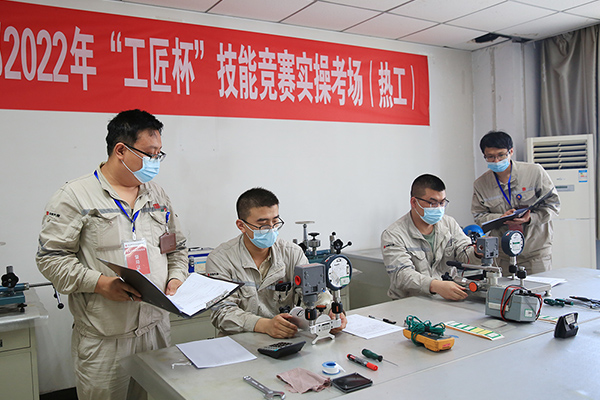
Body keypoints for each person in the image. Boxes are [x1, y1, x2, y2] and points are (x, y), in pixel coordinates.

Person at [36, 110, 188, 400]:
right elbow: (50, 258)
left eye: (159, 153)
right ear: (121, 150)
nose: (155, 161)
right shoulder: (75, 196)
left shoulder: (157, 195)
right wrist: (100, 284)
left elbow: (177, 248)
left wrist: (176, 278)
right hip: (105, 339)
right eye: (150, 153)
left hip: (155, 330)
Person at [206, 187, 347, 338]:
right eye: (263, 224)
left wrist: (329, 313)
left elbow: (315, 292)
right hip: (238, 342)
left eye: (275, 221)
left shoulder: (292, 253)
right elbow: (221, 312)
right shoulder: (220, 259)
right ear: (242, 226)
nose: (271, 229)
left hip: (286, 340)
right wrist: (263, 325)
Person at [472, 130, 560, 275]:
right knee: (506, 289)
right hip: (503, 254)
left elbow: (553, 205)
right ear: (484, 156)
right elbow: (478, 216)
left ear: (510, 151)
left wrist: (531, 218)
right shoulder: (481, 184)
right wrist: (500, 217)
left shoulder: (534, 172)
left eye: (501, 155)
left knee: (539, 288)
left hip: (535, 251)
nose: (496, 161)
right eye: (490, 157)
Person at [381, 174, 478, 301]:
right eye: (432, 203)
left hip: (446, 300)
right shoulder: (394, 234)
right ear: (414, 202)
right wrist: (435, 286)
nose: (439, 208)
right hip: (410, 303)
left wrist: (477, 253)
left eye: (442, 202)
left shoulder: (449, 224)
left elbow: (464, 253)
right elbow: (401, 275)